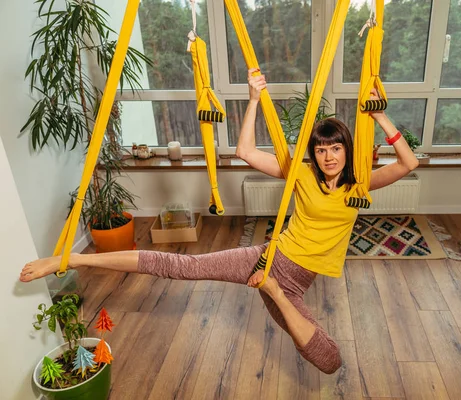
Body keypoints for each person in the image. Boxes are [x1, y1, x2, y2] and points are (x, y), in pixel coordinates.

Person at [20, 69, 419, 374]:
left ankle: (275, 294)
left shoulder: (359, 187)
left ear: (347, 150)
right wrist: (252, 97)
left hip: (292, 282)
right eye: (321, 149)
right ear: (312, 155)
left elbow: (409, 163)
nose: (329, 156)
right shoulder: (301, 172)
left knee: (330, 361)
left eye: (335, 148)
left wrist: (381, 118)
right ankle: (68, 261)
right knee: (179, 266)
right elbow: (245, 150)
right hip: (268, 258)